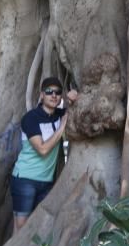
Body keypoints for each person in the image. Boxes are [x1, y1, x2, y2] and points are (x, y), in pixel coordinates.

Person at [11, 77, 79, 231]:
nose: (53, 95)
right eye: (49, 92)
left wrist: (75, 97)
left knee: (41, 226)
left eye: (57, 92)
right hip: (25, 180)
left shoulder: (60, 114)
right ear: (42, 95)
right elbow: (42, 149)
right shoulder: (30, 119)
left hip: (47, 182)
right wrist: (61, 128)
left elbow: (78, 109)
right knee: (22, 228)